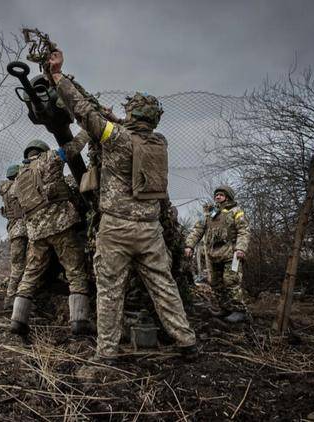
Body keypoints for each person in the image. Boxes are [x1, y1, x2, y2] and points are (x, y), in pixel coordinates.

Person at [47, 49, 197, 363]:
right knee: (163, 285)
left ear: (132, 116)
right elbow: (124, 130)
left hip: (115, 229)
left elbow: (82, 111)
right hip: (150, 229)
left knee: (110, 291)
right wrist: (114, 118)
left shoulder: (116, 139)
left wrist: (58, 75)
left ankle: (107, 353)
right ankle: (186, 342)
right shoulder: (159, 142)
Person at [9, 139, 92, 336]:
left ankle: (17, 321)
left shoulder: (19, 176)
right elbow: (73, 147)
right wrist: (89, 127)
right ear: (42, 151)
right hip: (60, 226)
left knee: (30, 274)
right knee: (75, 272)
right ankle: (79, 321)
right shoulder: (50, 158)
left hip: (36, 233)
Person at [184, 186, 251, 323]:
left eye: (221, 195)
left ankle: (239, 311)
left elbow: (244, 231)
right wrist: (189, 245)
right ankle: (225, 308)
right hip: (213, 255)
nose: (218, 197)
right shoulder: (211, 213)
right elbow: (198, 230)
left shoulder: (236, 212)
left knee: (231, 281)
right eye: (217, 195)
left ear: (227, 197)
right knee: (215, 283)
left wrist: (241, 249)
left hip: (232, 255)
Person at [0, 164, 28, 310]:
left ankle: (11, 298)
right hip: (22, 230)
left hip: (13, 231)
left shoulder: (5, 190)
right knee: (21, 267)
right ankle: (13, 299)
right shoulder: (17, 187)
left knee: (17, 265)